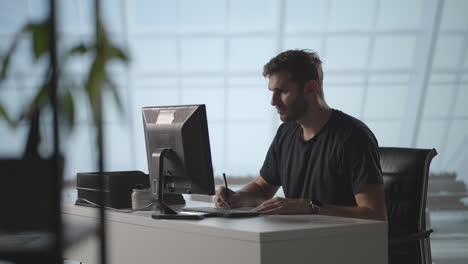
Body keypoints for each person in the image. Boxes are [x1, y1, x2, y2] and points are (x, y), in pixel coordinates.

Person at [214, 49, 387, 221]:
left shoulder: (353, 137)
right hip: (298, 239)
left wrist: (308, 207)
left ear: (311, 89)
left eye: (282, 91)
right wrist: (237, 196)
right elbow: (262, 187)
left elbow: (374, 215)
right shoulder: (286, 132)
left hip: (338, 243)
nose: (273, 101)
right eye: (272, 92)